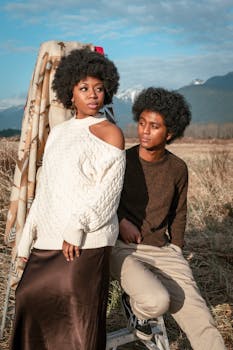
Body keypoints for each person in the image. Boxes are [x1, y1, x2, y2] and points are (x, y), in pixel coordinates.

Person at [11, 48, 126, 350]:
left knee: (77, 318)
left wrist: (77, 226)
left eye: (99, 89)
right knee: (27, 297)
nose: (93, 95)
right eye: (84, 88)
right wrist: (26, 240)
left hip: (86, 239)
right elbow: (45, 191)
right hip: (47, 239)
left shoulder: (110, 133)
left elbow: (108, 192)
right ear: (69, 92)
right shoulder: (58, 134)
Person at [111, 87, 226, 350]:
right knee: (156, 300)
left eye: (154, 126)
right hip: (122, 249)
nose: (144, 131)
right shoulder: (121, 161)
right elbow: (102, 202)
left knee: (202, 320)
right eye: (141, 123)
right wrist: (120, 221)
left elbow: (179, 211)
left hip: (164, 251)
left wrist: (177, 247)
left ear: (170, 133)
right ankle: (139, 311)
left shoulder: (177, 169)